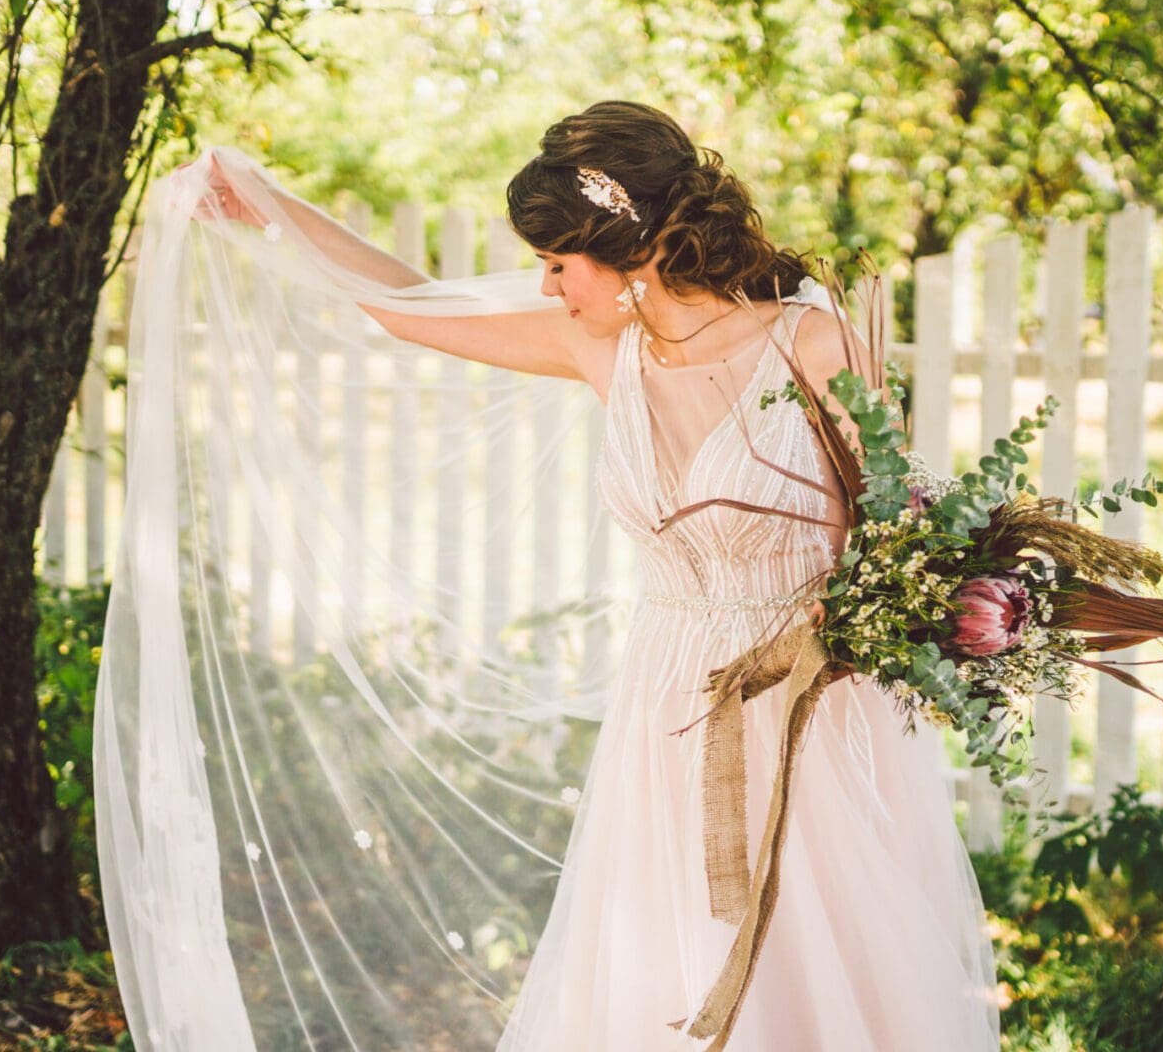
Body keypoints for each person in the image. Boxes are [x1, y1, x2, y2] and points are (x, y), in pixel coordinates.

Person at [100, 100, 997, 1050]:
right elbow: (411, 307)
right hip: (667, 709)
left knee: (811, 960)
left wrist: (880, 611)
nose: (546, 281)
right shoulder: (600, 347)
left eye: (559, 262)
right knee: (665, 966)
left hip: (804, 713)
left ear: (631, 251)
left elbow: (903, 531)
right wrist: (272, 207)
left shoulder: (814, 346)